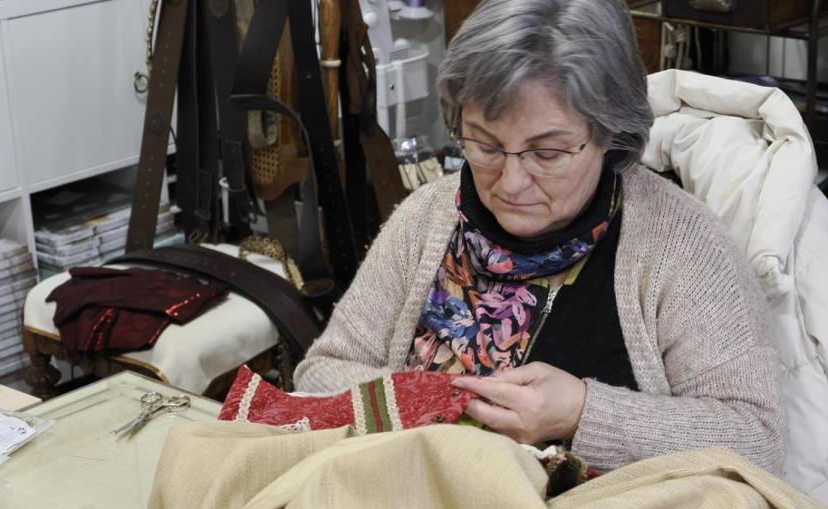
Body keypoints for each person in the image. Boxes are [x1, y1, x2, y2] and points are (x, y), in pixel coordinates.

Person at [294, 0, 783, 474]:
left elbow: (757, 441)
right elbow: (320, 376)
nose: (509, 184)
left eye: (547, 153)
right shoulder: (427, 218)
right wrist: (426, 404)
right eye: (485, 145)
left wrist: (583, 413)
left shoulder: (682, 245)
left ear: (610, 132)